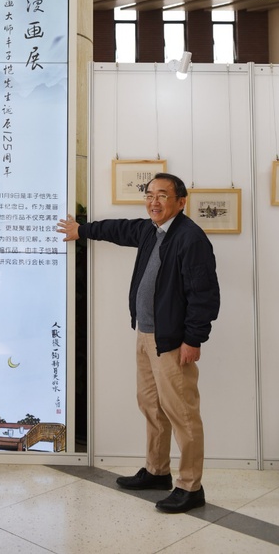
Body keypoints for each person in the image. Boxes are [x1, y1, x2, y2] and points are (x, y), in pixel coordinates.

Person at [57, 173, 219, 514]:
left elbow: (204, 295)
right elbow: (119, 230)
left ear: (181, 201)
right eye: (149, 195)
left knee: (183, 414)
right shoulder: (151, 230)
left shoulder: (190, 238)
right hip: (146, 335)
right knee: (152, 406)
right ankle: (157, 471)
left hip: (172, 341)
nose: (154, 202)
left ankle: (190, 487)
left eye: (162, 195)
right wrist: (82, 230)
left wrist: (193, 339)